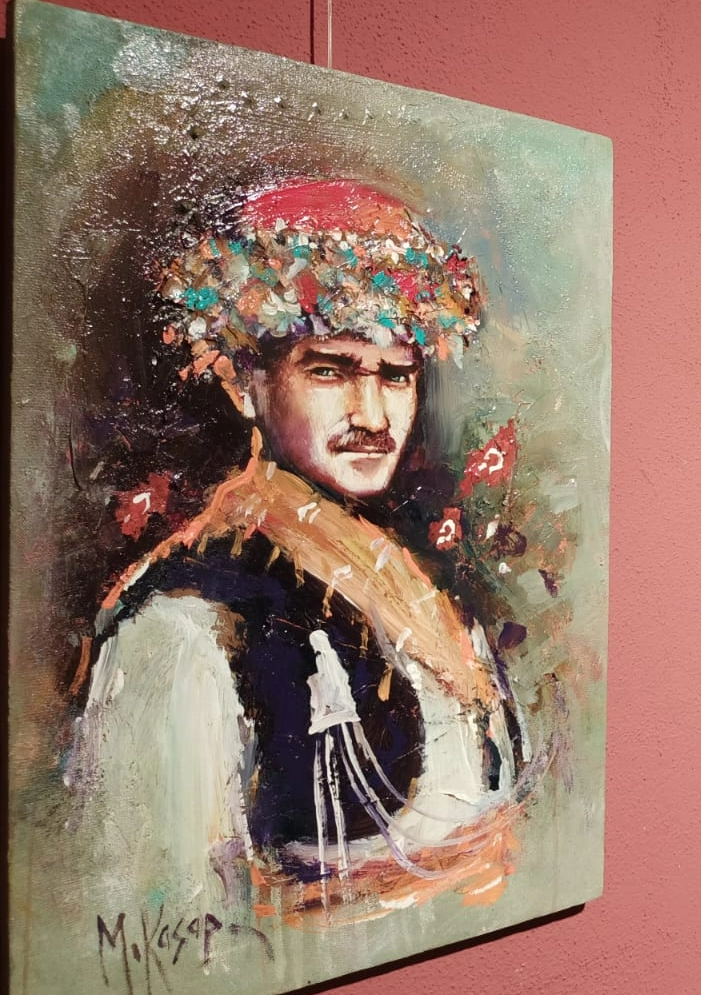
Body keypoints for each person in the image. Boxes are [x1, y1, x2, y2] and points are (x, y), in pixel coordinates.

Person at [67, 180, 535, 921]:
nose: (372, 416)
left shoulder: (424, 594)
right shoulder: (185, 621)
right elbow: (169, 927)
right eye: (329, 370)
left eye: (396, 376)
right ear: (244, 384)